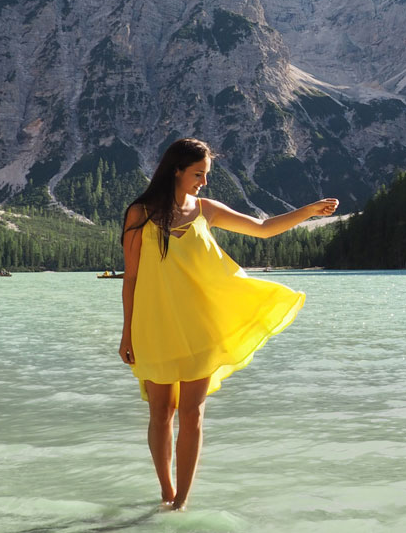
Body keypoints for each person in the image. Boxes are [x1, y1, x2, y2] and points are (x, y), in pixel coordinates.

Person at [118, 138, 338, 511]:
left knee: (192, 413)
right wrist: (127, 331)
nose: (203, 181)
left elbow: (264, 228)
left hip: (202, 326)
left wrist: (309, 211)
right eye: (197, 174)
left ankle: (181, 504)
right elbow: (133, 278)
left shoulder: (206, 209)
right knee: (161, 412)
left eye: (206, 174)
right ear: (176, 170)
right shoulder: (140, 214)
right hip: (153, 324)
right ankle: (166, 493)